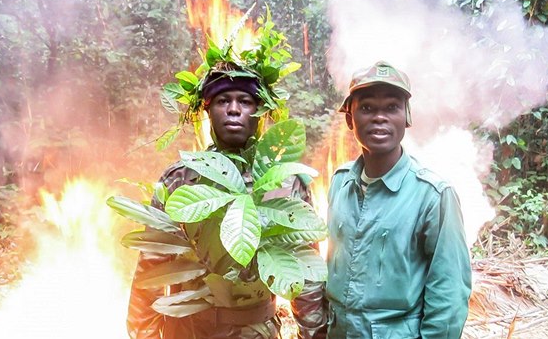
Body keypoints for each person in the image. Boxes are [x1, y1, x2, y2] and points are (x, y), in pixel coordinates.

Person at [126, 64, 327, 339]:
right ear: (207, 110)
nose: (234, 109)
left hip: (257, 331)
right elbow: (151, 268)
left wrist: (313, 333)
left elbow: (305, 274)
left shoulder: (284, 182)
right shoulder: (182, 179)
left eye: (245, 101)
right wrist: (144, 334)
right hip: (189, 330)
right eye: (223, 101)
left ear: (260, 112)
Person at [326, 61, 472, 338]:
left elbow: (449, 294)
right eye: (367, 108)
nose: (379, 117)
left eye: (392, 107)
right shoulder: (340, 183)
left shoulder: (433, 195)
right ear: (349, 119)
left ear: (406, 117)